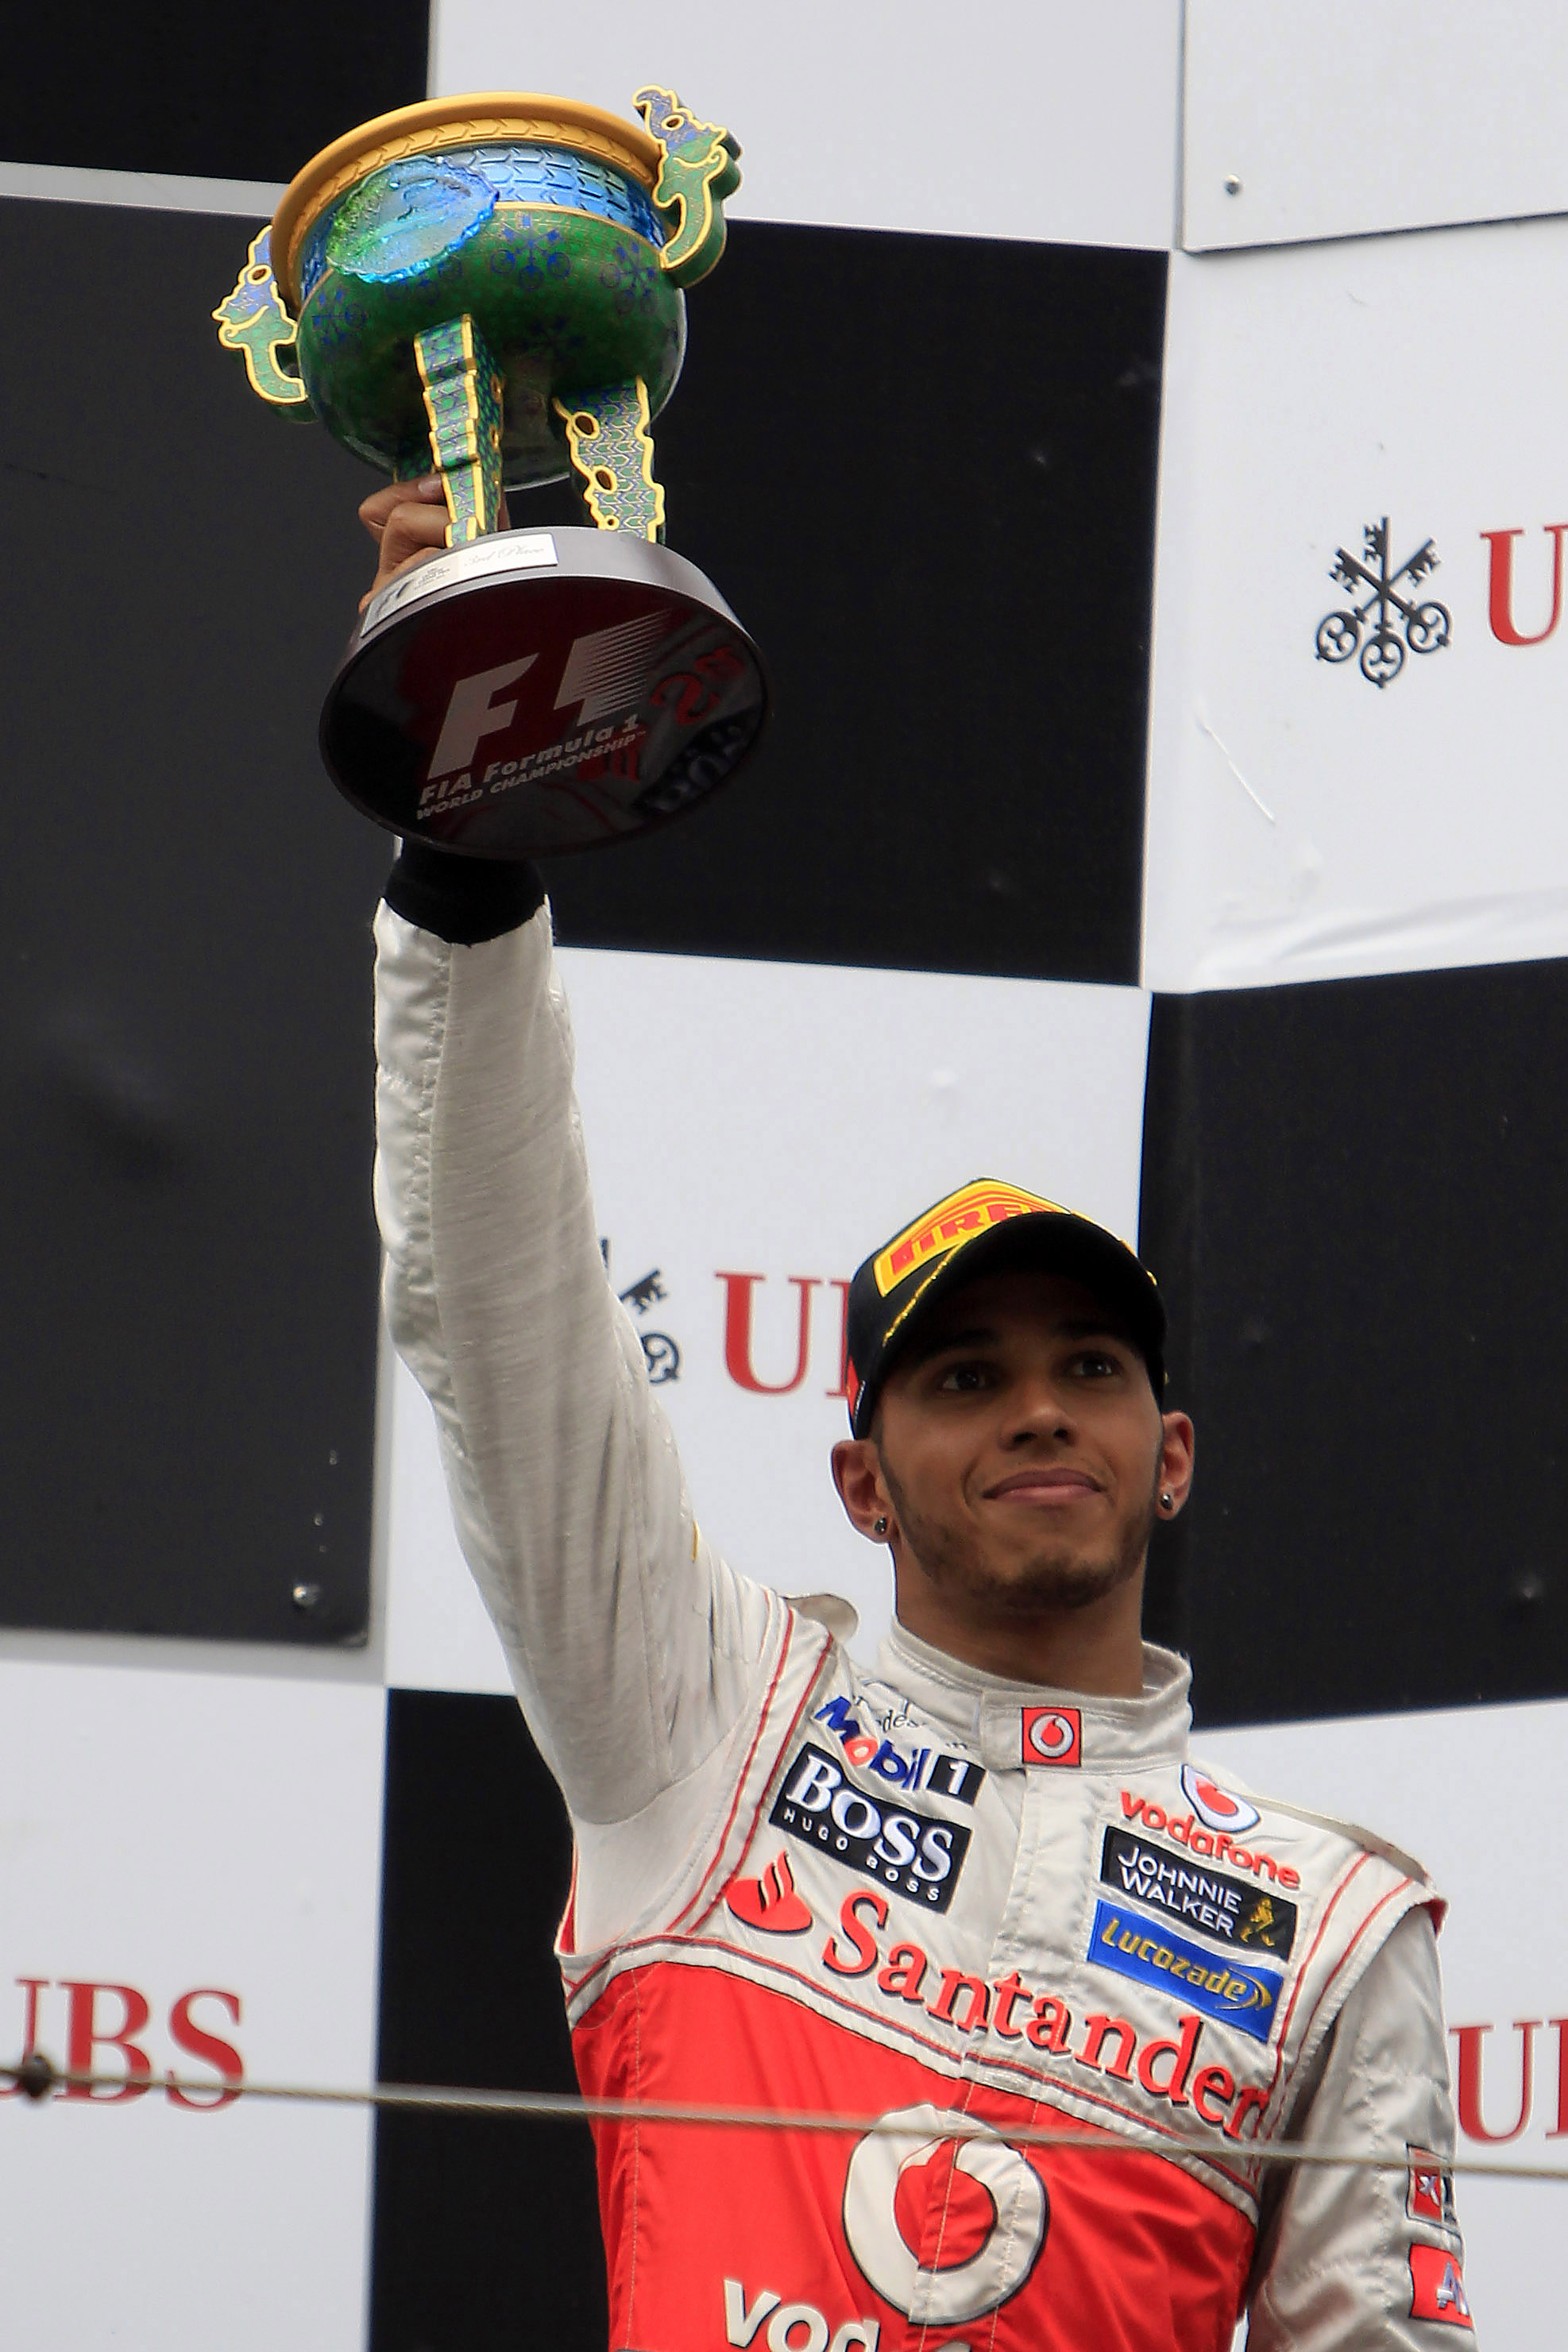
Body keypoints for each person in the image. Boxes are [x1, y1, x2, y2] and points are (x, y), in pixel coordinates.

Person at [363, 480, 1477, 2350]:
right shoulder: (708, 1720)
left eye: (1090, 1365)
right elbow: (502, 1310)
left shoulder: (1327, 1920)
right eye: (965, 1376)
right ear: (862, 1481)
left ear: (1171, 1454)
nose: (1039, 1410)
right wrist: (464, 852)